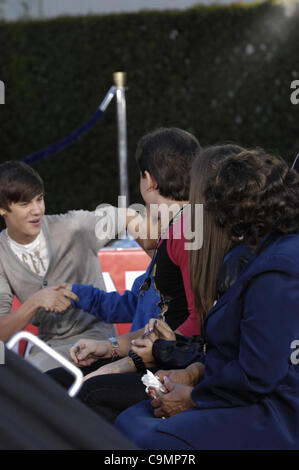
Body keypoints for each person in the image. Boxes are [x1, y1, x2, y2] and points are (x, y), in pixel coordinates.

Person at [114, 146, 299, 450]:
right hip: (241, 396)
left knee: (143, 437)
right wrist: (192, 374)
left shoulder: (277, 268)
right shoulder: (265, 255)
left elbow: (259, 373)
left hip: (272, 414)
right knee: (130, 422)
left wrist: (194, 398)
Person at [0, 161, 137, 372]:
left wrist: (159, 268)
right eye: (24, 204)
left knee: (32, 378)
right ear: (2, 209)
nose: (37, 210)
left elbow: (130, 215)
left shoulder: (74, 226)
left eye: (40, 199)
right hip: (47, 346)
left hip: (97, 339)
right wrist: (35, 302)